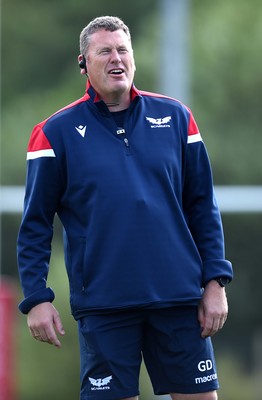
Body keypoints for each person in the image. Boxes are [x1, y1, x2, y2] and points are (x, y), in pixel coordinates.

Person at [17, 15, 233, 400]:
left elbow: (203, 206)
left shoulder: (177, 118)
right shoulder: (54, 132)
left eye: (122, 50)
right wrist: (37, 298)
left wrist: (215, 281)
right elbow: (35, 225)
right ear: (83, 62)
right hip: (104, 305)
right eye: (105, 51)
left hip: (179, 299)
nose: (116, 58)